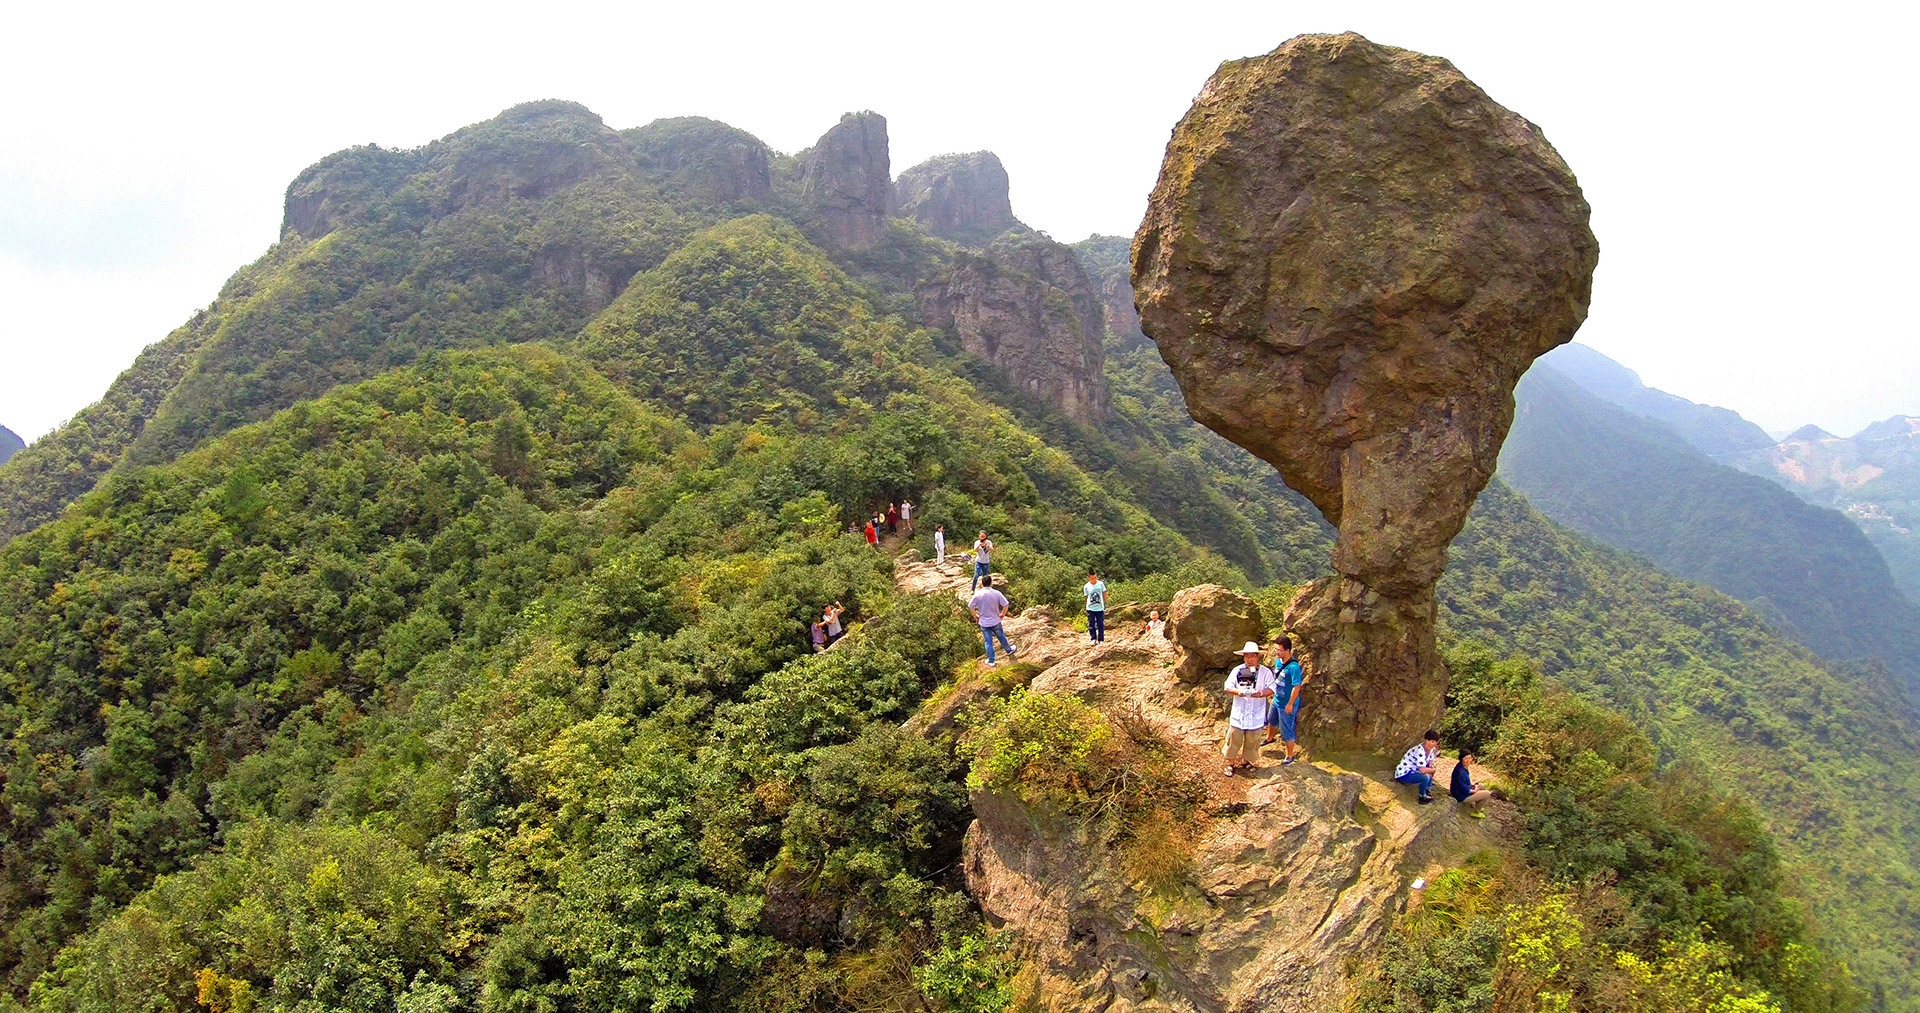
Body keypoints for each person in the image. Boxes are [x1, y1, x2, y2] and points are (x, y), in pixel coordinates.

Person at [1222, 642, 1275, 776]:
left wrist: (1261, 693)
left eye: (1252, 656)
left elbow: (1273, 687)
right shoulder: (1237, 670)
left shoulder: (1265, 672)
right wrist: (1237, 691)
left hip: (1256, 713)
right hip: (1239, 712)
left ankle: (1247, 761)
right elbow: (1227, 686)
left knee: (1252, 739)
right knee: (1234, 738)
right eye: (1247, 656)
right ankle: (1230, 763)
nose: (1249, 659)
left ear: (1258, 657)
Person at [1265, 637, 1305, 764]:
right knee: (1272, 720)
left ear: (1287, 650)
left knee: (1286, 729)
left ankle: (1290, 755)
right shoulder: (1278, 661)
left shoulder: (1293, 667)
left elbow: (1296, 686)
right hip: (1277, 699)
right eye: (1275, 649)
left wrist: (1290, 704)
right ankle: (1269, 738)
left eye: (1279, 650)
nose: (1277, 652)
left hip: (1287, 703)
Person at [969, 575, 1017, 665]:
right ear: (991, 583)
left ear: (982, 584)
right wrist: (1002, 614)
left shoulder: (978, 594)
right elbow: (1006, 604)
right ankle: (1009, 650)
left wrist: (976, 615)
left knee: (988, 642)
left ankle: (991, 660)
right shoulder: (996, 593)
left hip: (984, 622)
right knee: (1001, 636)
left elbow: (970, 606)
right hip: (995, 620)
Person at [1394, 730, 1442, 804]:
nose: (1429, 743)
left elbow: (1430, 763)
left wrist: (1432, 767)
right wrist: (1433, 770)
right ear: (1425, 740)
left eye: (1432, 741)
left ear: (1436, 742)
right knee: (1425, 776)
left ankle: (1427, 790)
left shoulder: (1432, 750)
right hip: (1405, 773)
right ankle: (1422, 797)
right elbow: (1423, 770)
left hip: (1414, 771)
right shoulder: (1420, 750)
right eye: (1428, 740)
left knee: (1430, 772)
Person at [1450, 752, 1496, 818]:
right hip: (1460, 795)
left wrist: (1474, 786)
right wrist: (1474, 791)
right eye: (1466, 758)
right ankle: (1476, 812)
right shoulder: (1460, 772)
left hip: (1462, 790)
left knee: (1481, 786)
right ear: (1461, 759)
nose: (1468, 760)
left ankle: (1478, 805)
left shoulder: (1462, 766)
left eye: (1470, 758)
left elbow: (1464, 783)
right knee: (1487, 794)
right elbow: (1463, 789)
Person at [1082, 571, 1108, 642]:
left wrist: (1104, 602)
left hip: (1100, 608)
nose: (1094, 579)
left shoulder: (1101, 584)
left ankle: (1101, 639)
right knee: (1091, 624)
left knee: (1100, 624)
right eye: (1092, 578)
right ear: (1089, 578)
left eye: (1095, 578)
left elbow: (1104, 593)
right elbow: (1086, 596)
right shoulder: (1086, 586)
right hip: (1090, 608)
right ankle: (1093, 638)